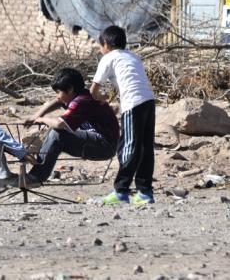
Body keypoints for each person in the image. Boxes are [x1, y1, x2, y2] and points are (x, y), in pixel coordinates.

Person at [91, 25, 156, 205]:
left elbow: (93, 91)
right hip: (149, 103)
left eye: (100, 45)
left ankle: (121, 191)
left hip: (133, 104)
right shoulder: (132, 56)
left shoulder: (108, 58)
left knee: (128, 146)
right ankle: (145, 193)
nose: (99, 49)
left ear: (105, 44)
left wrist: (102, 98)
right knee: (145, 148)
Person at [24, 68, 119, 185]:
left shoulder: (81, 101)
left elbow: (60, 124)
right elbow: (58, 101)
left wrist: (42, 119)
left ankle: (35, 177)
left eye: (58, 92)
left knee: (57, 133)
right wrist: (37, 114)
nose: (57, 96)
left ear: (70, 88)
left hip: (105, 147)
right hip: (99, 142)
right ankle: (36, 175)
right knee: (57, 133)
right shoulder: (80, 95)